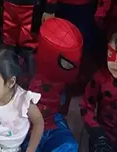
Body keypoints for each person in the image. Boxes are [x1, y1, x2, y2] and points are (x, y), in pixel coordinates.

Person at [27, 18, 83, 152]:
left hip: (53, 121)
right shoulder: (25, 68)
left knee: (69, 145)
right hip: (24, 124)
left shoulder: (68, 81)